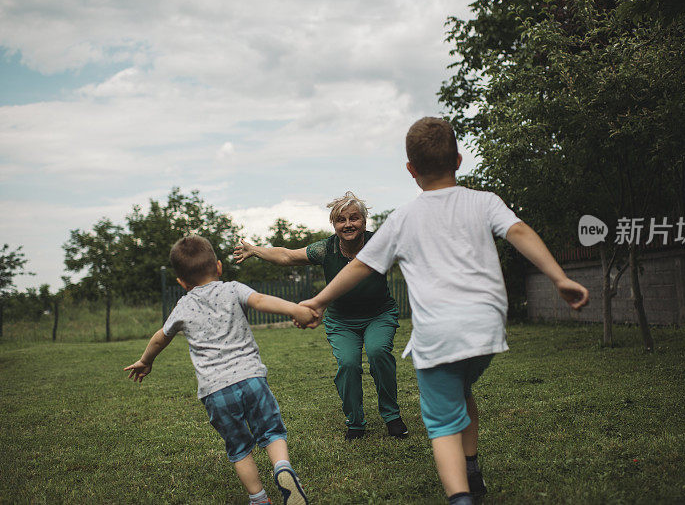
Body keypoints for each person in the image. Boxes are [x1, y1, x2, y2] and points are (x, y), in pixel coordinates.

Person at [297, 117, 590, 505]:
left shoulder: (402, 219)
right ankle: (473, 470)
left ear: (410, 170)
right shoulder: (484, 201)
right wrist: (558, 277)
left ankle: (460, 496)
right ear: (458, 159)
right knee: (460, 388)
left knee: (442, 423)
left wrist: (317, 301)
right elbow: (518, 231)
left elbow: (362, 266)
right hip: (485, 329)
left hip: (439, 334)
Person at [124, 235, 312, 505]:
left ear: (181, 282)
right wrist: (295, 309)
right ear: (219, 267)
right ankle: (282, 467)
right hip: (251, 379)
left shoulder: (183, 306)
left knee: (239, 448)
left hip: (215, 391)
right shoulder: (233, 289)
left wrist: (146, 360)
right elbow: (260, 300)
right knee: (271, 432)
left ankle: (259, 499)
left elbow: (159, 337)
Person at [233, 192, 408, 441]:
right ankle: (355, 421)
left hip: (378, 315)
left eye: (354, 218)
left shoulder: (378, 242)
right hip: (341, 320)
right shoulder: (325, 249)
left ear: (364, 221)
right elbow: (287, 256)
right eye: (341, 220)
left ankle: (392, 416)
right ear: (334, 225)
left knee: (378, 352)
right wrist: (255, 250)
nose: (348, 224)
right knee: (348, 364)